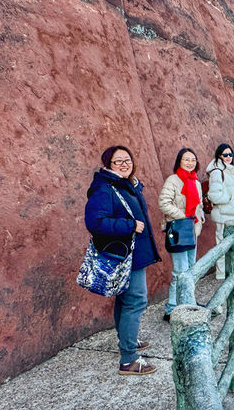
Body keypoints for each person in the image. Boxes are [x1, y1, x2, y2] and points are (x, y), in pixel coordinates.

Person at [85, 145, 161, 376]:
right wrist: (129, 225)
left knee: (124, 299)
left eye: (127, 160)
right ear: (108, 165)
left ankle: (127, 341)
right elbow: (95, 222)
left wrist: (136, 187)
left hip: (133, 253)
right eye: (118, 162)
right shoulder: (105, 189)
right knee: (136, 301)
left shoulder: (123, 185)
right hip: (126, 255)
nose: (125, 164)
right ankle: (128, 359)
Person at [158, 148, 205, 322]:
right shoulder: (174, 180)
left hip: (192, 230)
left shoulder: (196, 182)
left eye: (193, 159)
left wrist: (198, 220)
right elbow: (163, 203)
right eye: (186, 159)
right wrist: (183, 216)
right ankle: (171, 308)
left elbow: (198, 206)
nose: (190, 162)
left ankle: (188, 302)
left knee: (192, 269)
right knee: (180, 271)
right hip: (178, 229)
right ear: (179, 161)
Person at [206, 143, 234, 282]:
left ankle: (231, 272)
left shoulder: (228, 171)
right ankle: (221, 274)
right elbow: (214, 195)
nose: (229, 157)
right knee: (222, 245)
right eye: (225, 154)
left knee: (231, 244)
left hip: (231, 214)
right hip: (224, 215)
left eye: (230, 154)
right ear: (219, 155)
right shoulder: (218, 172)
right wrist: (229, 199)